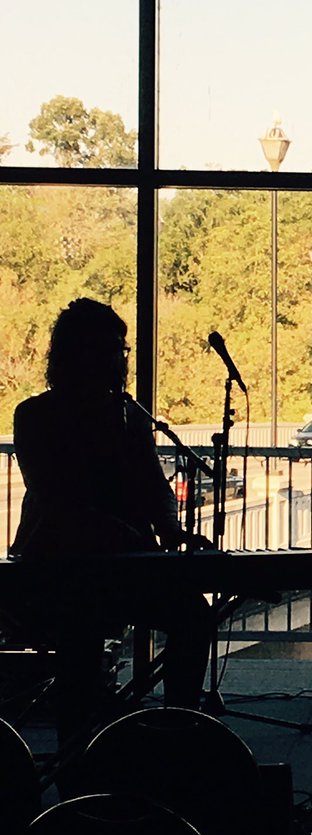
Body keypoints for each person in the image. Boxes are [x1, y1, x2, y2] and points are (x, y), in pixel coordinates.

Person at [11, 298, 211, 756]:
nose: (116, 361)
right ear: (74, 354)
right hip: (57, 571)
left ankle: (179, 735)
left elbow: (155, 487)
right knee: (80, 639)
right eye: (106, 350)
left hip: (119, 568)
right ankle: (77, 766)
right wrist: (129, 534)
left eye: (118, 350)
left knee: (193, 617)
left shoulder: (128, 415)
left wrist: (171, 529)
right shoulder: (36, 415)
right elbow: (54, 498)